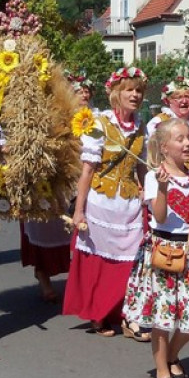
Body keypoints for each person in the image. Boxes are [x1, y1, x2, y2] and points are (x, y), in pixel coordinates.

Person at [124, 118, 189, 378]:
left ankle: (172, 356)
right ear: (164, 147)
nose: (188, 142)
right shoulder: (155, 177)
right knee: (162, 318)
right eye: (180, 139)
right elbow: (160, 216)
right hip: (163, 251)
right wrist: (163, 189)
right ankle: (162, 370)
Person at [64, 66, 150, 340]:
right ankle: (99, 312)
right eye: (129, 90)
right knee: (99, 261)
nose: (135, 95)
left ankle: (126, 314)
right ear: (116, 93)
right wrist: (79, 211)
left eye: (138, 90)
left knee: (130, 259)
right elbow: (87, 171)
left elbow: (141, 168)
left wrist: (149, 197)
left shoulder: (140, 126)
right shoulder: (99, 125)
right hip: (101, 202)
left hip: (129, 204)